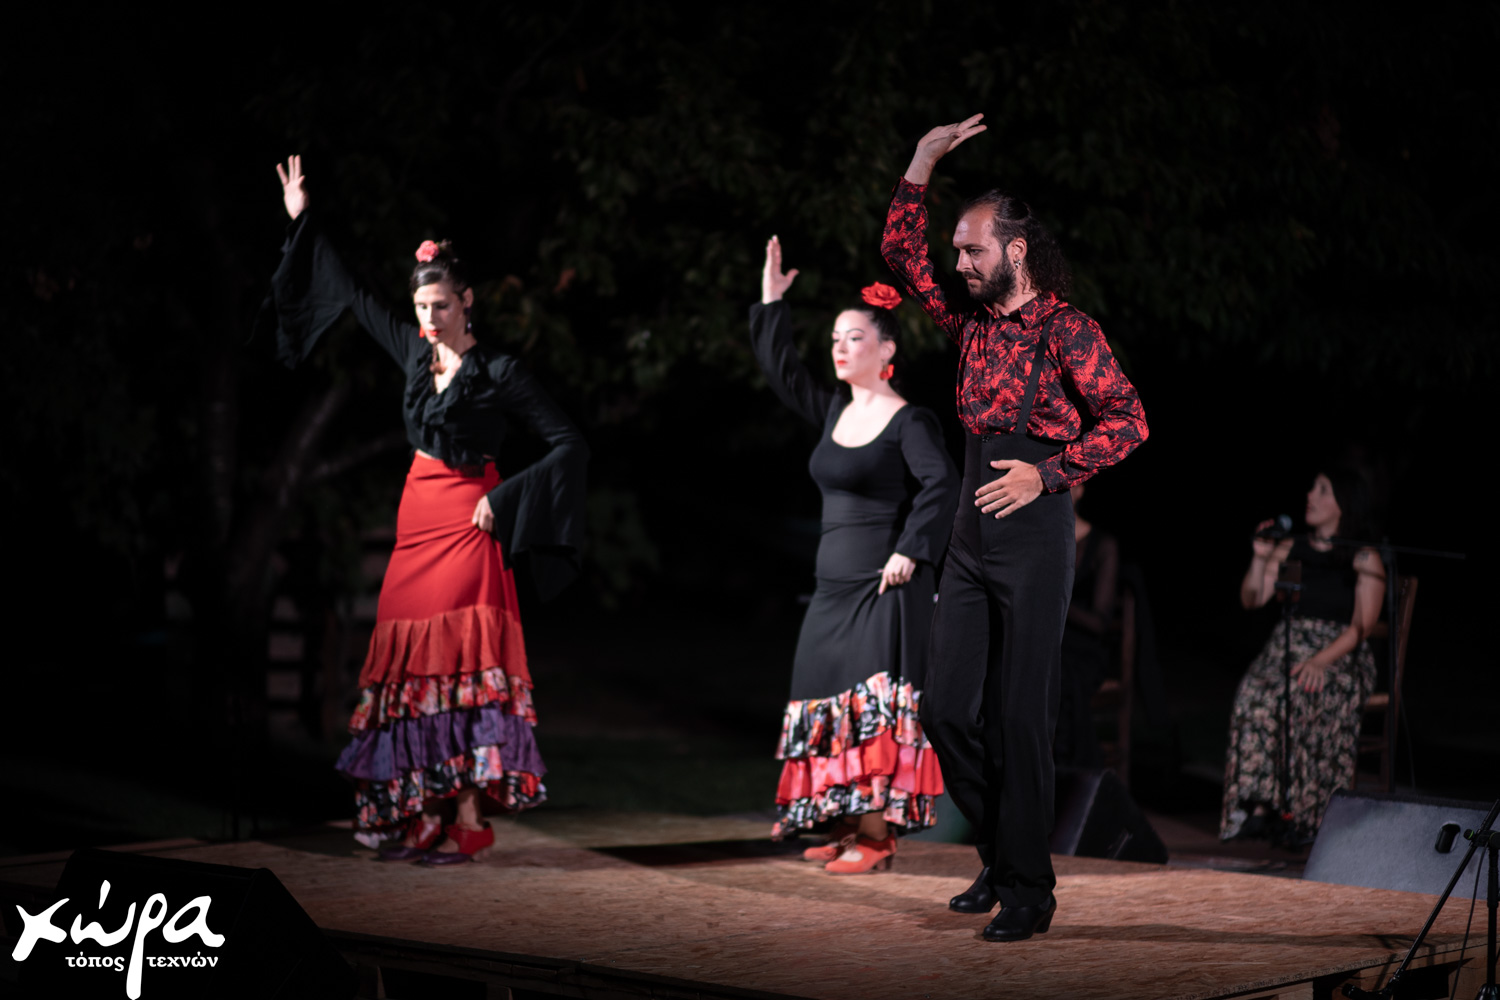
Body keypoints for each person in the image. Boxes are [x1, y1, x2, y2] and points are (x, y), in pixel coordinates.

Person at [269, 156, 588, 865]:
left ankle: (468, 819)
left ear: (467, 301)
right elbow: (354, 292)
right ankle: (422, 813)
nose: (430, 318)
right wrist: (303, 219)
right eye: (421, 308)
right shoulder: (416, 357)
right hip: (416, 521)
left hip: (471, 523)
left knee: (457, 672)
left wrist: (504, 498)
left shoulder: (500, 372)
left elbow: (569, 443)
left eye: (441, 306)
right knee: (410, 674)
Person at [881, 115, 1148, 940]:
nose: (959, 264)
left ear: (1017, 251)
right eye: (958, 252)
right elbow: (900, 255)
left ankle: (1029, 889)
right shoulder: (969, 325)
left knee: (1020, 716)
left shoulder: (1067, 330)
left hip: (1034, 533)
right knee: (945, 709)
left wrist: (1050, 472)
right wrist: (922, 161)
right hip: (970, 531)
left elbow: (1129, 420)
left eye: (972, 251)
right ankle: (1004, 853)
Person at [750, 236, 957, 875]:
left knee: (871, 710)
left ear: (887, 350)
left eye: (855, 337)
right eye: (835, 338)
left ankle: (876, 835)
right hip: (832, 587)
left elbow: (942, 485)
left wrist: (910, 551)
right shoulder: (835, 410)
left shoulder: (910, 422)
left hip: (882, 587)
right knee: (826, 700)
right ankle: (845, 825)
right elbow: (784, 372)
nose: (840, 347)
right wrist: (772, 302)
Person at [1222, 470, 1384, 846]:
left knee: (1306, 694)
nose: (1310, 495)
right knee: (1254, 694)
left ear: (1344, 503)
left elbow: (1361, 627)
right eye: (1313, 488)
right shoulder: (1290, 547)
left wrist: (1320, 661)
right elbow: (1252, 599)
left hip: (1339, 653)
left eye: (1322, 490)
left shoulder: (1363, 556)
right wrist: (1260, 559)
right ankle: (1260, 806)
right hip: (1289, 646)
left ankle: (1309, 814)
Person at [1054, 483, 1120, 768]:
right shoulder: (1041, 538)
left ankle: (1068, 770)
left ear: (1080, 489)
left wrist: (1056, 600)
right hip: (1048, 641)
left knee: (1059, 676)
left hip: (1082, 649)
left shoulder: (1101, 545)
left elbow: (1099, 622)